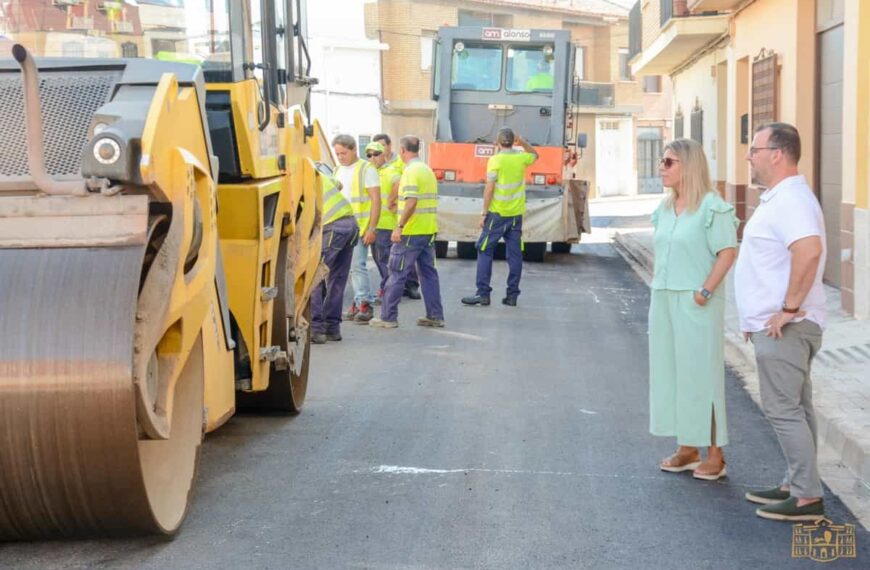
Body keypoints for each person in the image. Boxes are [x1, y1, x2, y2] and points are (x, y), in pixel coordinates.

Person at [736, 123, 827, 522]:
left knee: (784, 410)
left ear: (777, 153)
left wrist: (787, 309)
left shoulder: (791, 199)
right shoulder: (781, 198)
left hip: (786, 328)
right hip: (775, 325)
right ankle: (795, 483)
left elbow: (808, 251)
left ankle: (807, 498)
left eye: (753, 150)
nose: (749, 157)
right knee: (797, 408)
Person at [649, 138, 738, 482]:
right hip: (664, 299)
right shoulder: (665, 207)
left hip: (696, 302)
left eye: (669, 162)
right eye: (662, 161)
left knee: (703, 376)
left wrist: (704, 292)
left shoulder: (712, 207)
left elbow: (727, 253)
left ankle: (716, 454)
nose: (662, 167)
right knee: (672, 374)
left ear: (689, 166)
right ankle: (688, 448)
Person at [370, 136, 444, 329]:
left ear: (402, 150)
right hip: (427, 230)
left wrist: (400, 226)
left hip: (411, 231)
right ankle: (435, 315)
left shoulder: (410, 171)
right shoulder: (426, 169)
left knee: (396, 272)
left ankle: (388, 317)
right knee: (428, 274)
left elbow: (411, 201)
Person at [461, 127, 537, 307]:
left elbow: (489, 188)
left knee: (484, 250)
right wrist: (523, 142)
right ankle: (512, 296)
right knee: (515, 255)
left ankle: (483, 294)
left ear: (497, 142)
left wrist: (484, 212)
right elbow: (535, 155)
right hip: (515, 216)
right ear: (513, 142)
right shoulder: (521, 158)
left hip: (497, 215)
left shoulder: (495, 160)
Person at [332, 135, 380, 323]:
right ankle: (358, 301)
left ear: (354, 150)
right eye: (337, 154)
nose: (340, 157)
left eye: (343, 153)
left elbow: (376, 200)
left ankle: (365, 305)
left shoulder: (366, 169)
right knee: (348, 268)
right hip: (340, 226)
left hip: (359, 227)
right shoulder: (337, 170)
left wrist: (372, 229)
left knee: (357, 266)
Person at [370, 134, 422, 301]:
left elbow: (401, 184)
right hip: (381, 221)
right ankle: (396, 287)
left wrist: (393, 201)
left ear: (390, 146)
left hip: (394, 219)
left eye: (380, 148)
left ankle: (405, 287)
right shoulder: (374, 169)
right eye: (372, 151)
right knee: (391, 258)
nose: (376, 153)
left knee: (394, 257)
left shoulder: (398, 164)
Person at [310, 168, 359, 344]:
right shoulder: (319, 174)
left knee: (313, 277)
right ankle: (332, 328)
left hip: (332, 228)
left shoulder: (296, 179)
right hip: (351, 224)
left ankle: (316, 329)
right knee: (337, 279)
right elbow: (338, 184)